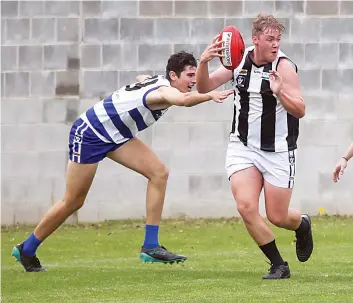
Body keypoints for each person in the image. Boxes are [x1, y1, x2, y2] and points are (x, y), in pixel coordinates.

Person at [12, 51, 234, 272]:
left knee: (159, 173)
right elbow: (183, 100)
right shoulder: (165, 92)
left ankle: (151, 246)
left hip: (116, 135)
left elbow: (141, 78)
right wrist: (209, 96)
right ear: (173, 76)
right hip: (90, 133)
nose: (194, 81)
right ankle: (27, 249)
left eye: (194, 75)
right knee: (73, 201)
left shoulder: (159, 81)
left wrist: (142, 82)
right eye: (189, 75)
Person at [196, 14, 313, 279]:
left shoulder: (284, 68)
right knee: (246, 207)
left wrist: (280, 92)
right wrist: (203, 62)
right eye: (270, 39)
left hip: (278, 150)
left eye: (278, 39)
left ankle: (302, 224)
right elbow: (203, 88)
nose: (275, 44)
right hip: (243, 145)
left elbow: (301, 110)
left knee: (277, 216)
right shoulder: (238, 61)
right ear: (255, 39)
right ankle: (278, 265)